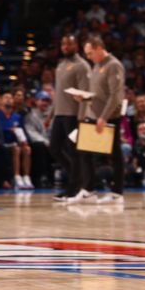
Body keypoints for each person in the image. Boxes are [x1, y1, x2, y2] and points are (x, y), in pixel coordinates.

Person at [69, 35, 126, 204]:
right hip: (94, 115)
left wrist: (104, 117)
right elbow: (100, 94)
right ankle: (88, 190)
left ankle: (117, 193)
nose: (88, 57)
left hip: (109, 117)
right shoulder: (96, 66)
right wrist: (84, 98)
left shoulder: (113, 65)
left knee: (114, 154)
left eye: (90, 53)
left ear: (100, 48)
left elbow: (115, 96)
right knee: (83, 150)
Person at [49, 35, 91, 201]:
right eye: (63, 44)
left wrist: (82, 117)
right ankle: (78, 176)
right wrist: (51, 114)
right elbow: (58, 92)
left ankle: (73, 188)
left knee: (74, 152)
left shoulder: (81, 66)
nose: (65, 47)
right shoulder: (61, 65)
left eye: (69, 44)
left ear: (77, 45)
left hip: (73, 115)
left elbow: (85, 93)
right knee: (54, 149)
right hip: (60, 114)